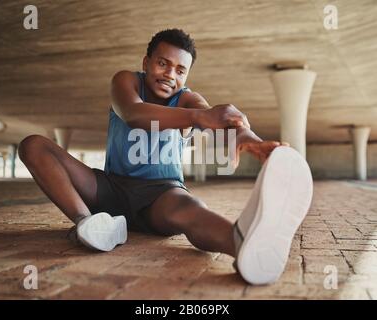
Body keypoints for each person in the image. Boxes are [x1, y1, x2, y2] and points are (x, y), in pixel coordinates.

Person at [18, 29, 313, 285]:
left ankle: (245, 245)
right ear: (146, 63)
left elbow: (223, 124)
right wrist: (201, 116)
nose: (170, 75)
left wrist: (252, 142)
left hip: (161, 193)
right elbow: (133, 114)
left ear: (186, 76)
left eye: (180, 70)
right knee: (33, 145)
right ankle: (89, 224)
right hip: (107, 187)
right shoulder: (126, 82)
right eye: (163, 63)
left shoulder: (188, 99)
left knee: (190, 210)